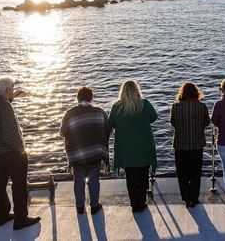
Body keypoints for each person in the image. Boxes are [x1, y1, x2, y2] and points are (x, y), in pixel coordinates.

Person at [0, 76, 41, 230]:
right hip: (12, 155)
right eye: (12, 89)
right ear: (8, 90)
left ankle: (1, 216)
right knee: (19, 186)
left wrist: (10, 99)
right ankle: (21, 219)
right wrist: (21, 149)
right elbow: (10, 133)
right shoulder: (5, 107)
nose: (13, 91)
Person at [60, 87, 111, 215]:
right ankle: (94, 205)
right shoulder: (100, 112)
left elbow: (62, 132)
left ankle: (80, 206)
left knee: (78, 180)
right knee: (94, 179)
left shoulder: (69, 113)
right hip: (95, 152)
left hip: (77, 154)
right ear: (91, 98)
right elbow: (109, 128)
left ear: (77, 98)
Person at [109, 80, 158, 212]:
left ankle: (134, 204)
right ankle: (141, 202)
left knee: (130, 176)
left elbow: (111, 123)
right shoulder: (145, 104)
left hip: (126, 148)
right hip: (143, 146)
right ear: (137, 90)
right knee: (143, 175)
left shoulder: (116, 107)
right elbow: (154, 117)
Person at [170, 82, 210, 208]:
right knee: (195, 172)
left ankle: (186, 198)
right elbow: (206, 122)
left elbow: (173, 122)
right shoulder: (202, 106)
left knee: (182, 173)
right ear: (196, 93)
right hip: (197, 144)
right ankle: (194, 198)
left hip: (180, 144)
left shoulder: (176, 107)